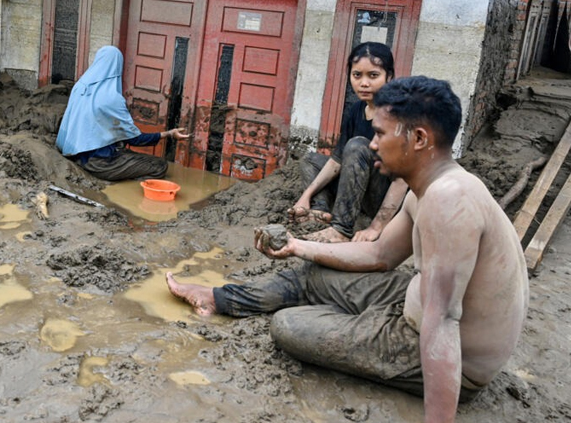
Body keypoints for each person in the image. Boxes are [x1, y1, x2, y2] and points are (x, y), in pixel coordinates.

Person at [167, 76, 529, 423]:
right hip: (416, 302)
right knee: (311, 273)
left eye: (381, 134)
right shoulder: (431, 187)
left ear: (418, 138)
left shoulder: (449, 200)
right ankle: (219, 298)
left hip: (454, 356)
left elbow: (444, 322)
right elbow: (379, 255)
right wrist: (297, 246)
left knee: (289, 326)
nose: (373, 144)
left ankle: (347, 323)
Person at [291, 41, 408, 242]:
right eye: (357, 75)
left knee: (357, 146)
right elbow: (337, 161)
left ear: (389, 77)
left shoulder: (398, 113)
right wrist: (306, 196)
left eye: (373, 76)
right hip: (356, 190)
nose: (364, 83)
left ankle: (341, 229)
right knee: (311, 160)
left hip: (383, 196)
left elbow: (402, 179)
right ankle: (320, 212)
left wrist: (376, 227)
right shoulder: (355, 110)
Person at [56, 45, 189, 181]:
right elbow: (134, 139)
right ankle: (121, 188)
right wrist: (169, 134)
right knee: (159, 166)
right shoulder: (111, 98)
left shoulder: (80, 86)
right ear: (117, 66)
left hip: (73, 152)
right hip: (98, 163)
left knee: (125, 152)